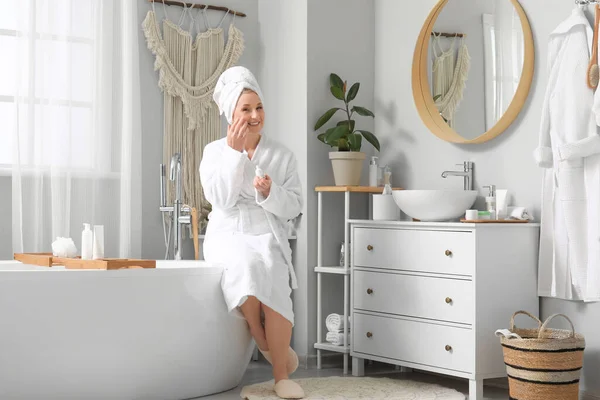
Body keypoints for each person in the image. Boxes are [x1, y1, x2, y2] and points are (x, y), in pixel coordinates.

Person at [199, 66, 304, 399]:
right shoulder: (214, 152)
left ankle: (279, 376)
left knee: (272, 270)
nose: (255, 115)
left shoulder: (281, 155)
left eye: (259, 107)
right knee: (245, 265)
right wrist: (233, 155)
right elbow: (219, 199)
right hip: (228, 230)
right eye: (246, 109)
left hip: (267, 228)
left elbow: (295, 206)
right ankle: (263, 340)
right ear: (232, 113)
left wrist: (270, 192)